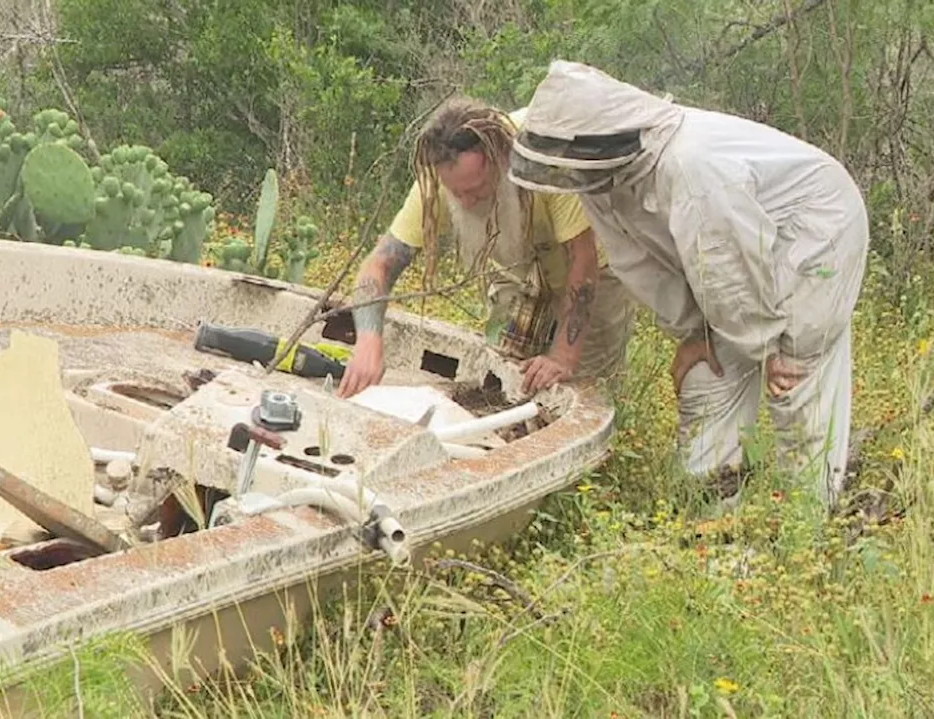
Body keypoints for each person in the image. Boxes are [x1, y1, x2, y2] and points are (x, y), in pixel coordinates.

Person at [506, 60, 870, 511]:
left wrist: (769, 350)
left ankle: (810, 535)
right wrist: (695, 337)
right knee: (707, 380)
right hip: (743, 265)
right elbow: (639, 264)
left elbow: (727, 267)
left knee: (795, 384)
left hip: (816, 236)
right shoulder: (601, 179)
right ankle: (712, 533)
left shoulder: (692, 166)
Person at [336, 96, 635, 399]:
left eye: (476, 191)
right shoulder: (440, 177)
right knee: (502, 387)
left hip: (593, 269)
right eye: (456, 193)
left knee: (578, 391)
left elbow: (582, 260)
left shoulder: (549, 158)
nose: (465, 203)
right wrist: (369, 338)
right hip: (518, 265)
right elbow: (380, 263)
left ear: (502, 160)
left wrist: (562, 357)